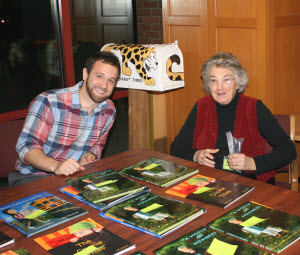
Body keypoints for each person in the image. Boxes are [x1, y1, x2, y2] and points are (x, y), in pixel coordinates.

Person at [170, 52, 296, 184]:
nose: (219, 87)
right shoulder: (202, 106)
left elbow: (288, 150)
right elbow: (176, 147)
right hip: (207, 180)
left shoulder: (254, 108)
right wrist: (195, 155)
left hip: (249, 182)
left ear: (238, 82)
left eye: (226, 79)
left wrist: (253, 163)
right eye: (213, 80)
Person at [9, 51, 121, 188]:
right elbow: (25, 146)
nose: (104, 86)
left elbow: (98, 145)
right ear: (85, 74)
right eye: (99, 76)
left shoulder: (109, 110)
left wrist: (90, 154)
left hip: (75, 176)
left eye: (111, 80)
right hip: (33, 177)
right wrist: (56, 166)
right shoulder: (49, 102)